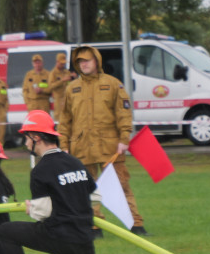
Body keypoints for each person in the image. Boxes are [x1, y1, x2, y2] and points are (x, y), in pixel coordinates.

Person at [0, 110, 169, 254]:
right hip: (83, 235)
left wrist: (32, 208)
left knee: (5, 231)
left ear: (36, 137)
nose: (25, 142)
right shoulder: (75, 162)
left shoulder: (40, 170)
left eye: (26, 136)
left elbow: (43, 212)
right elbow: (95, 197)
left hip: (56, 235)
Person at [58, 44, 148, 236]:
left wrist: (124, 138)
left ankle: (136, 224)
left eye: (87, 60)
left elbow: (123, 113)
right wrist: (64, 145)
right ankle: (95, 225)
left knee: (122, 185)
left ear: (96, 61)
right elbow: (65, 120)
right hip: (82, 148)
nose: (83, 64)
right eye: (80, 61)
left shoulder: (113, 84)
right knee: (87, 189)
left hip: (110, 147)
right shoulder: (71, 88)